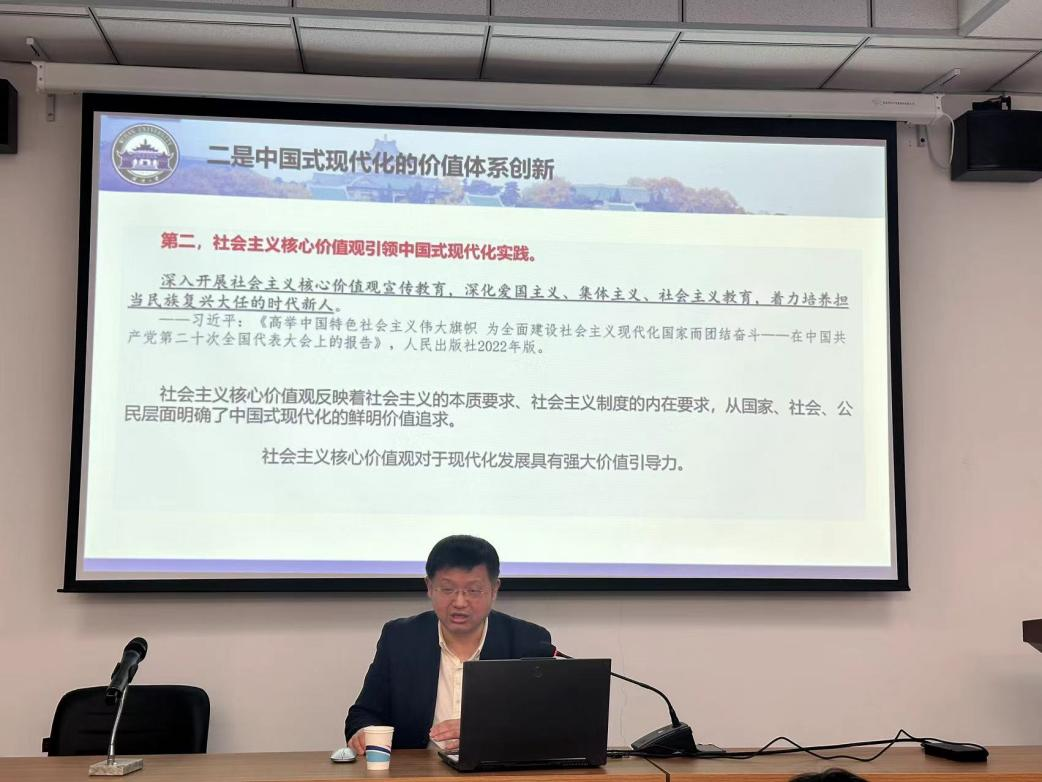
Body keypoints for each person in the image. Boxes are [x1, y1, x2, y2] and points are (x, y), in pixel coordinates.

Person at [345, 535, 551, 753]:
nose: (460, 602)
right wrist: (364, 732)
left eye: (473, 591)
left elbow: (547, 724)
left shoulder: (527, 641)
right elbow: (364, 713)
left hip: (494, 766)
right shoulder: (400, 638)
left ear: (494, 589)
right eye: (447, 589)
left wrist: (488, 734)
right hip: (417, 769)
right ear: (429, 586)